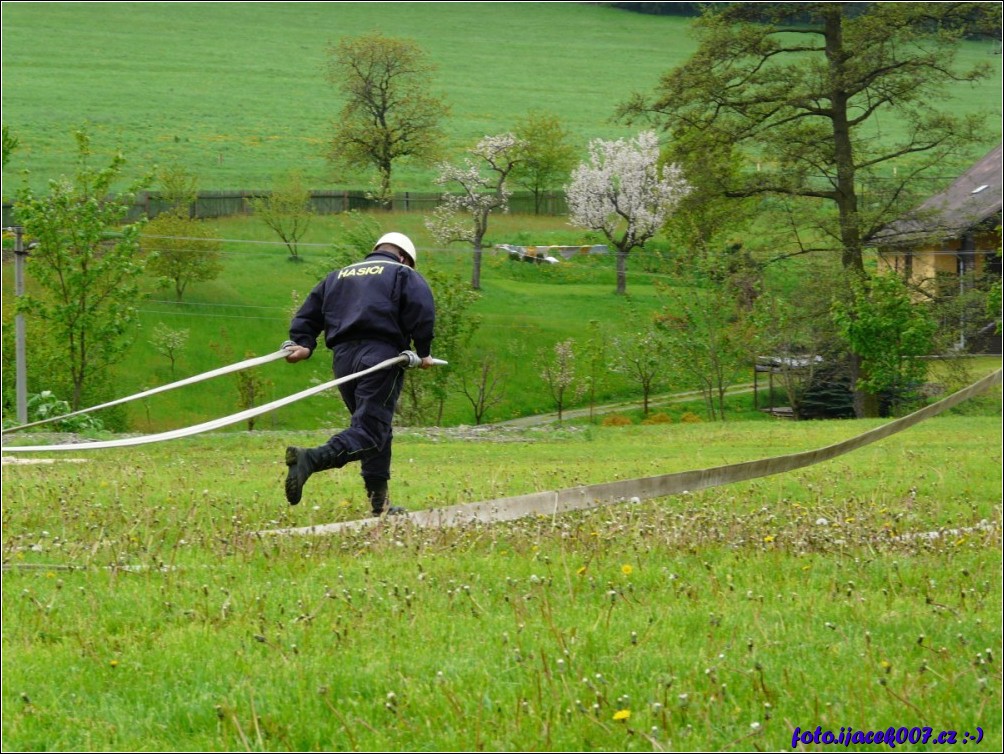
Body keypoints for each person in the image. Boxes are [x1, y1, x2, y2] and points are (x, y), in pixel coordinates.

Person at [281, 232, 436, 516]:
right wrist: (423, 352)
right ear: (404, 257)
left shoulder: (337, 276)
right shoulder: (402, 273)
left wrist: (303, 342)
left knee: (376, 428)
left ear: (377, 249)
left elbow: (309, 313)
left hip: (343, 361)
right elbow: (422, 310)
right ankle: (310, 460)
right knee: (371, 431)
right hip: (380, 356)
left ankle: (380, 505)